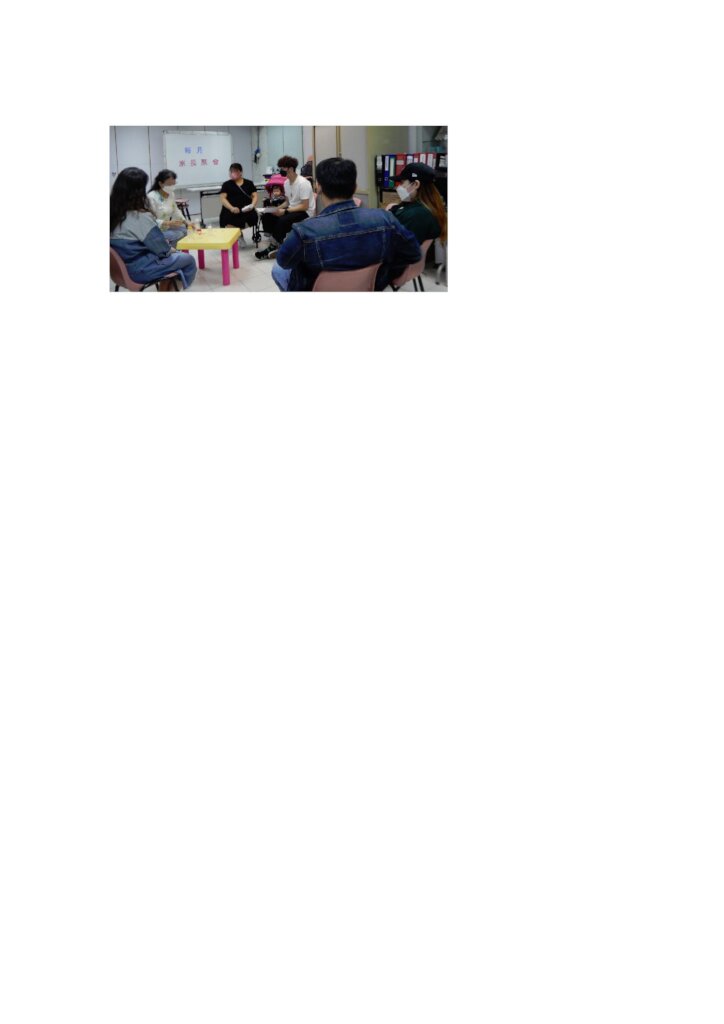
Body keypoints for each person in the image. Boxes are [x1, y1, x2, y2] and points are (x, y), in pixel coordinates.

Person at [271, 157, 421, 291]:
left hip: (318, 289)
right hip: (368, 288)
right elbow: (413, 253)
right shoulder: (386, 219)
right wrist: (382, 273)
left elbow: (284, 261)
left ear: (319, 187)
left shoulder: (304, 230)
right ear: (355, 187)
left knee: (278, 270)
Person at [110, 167, 197, 290]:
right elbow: (161, 249)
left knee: (180, 234)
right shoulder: (140, 215)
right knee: (188, 260)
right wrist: (170, 250)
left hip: (121, 269)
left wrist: (184, 222)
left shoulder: (113, 213)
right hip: (140, 269)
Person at [255, 155, 313, 260]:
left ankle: (275, 246)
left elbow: (305, 206)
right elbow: (287, 202)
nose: (281, 170)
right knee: (267, 216)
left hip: (305, 212)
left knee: (282, 220)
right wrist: (277, 209)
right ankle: (278, 243)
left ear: (290, 168)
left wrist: (285, 211)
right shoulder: (286, 183)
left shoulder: (303, 183)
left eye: (283, 168)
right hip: (292, 209)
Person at [387, 162, 447, 246]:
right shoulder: (424, 206)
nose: (398, 187)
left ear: (415, 184)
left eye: (402, 182)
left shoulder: (417, 215)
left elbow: (395, 245)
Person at [147, 170, 188, 248]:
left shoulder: (171, 194)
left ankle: (175, 250)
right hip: (154, 230)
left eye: (174, 184)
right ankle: (168, 251)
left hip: (165, 227)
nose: (172, 187)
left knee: (184, 230)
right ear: (160, 183)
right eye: (169, 184)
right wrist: (168, 223)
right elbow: (149, 220)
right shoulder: (151, 197)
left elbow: (175, 210)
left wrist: (186, 221)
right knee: (178, 234)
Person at [219, 163, 259, 239]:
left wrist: (252, 205)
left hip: (246, 209)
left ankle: (240, 235)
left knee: (252, 217)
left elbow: (255, 196)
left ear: (240, 172)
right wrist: (231, 208)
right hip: (231, 209)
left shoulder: (249, 183)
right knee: (228, 218)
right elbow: (223, 198)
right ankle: (238, 236)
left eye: (235, 171)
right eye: (231, 171)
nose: (232, 173)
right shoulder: (226, 184)